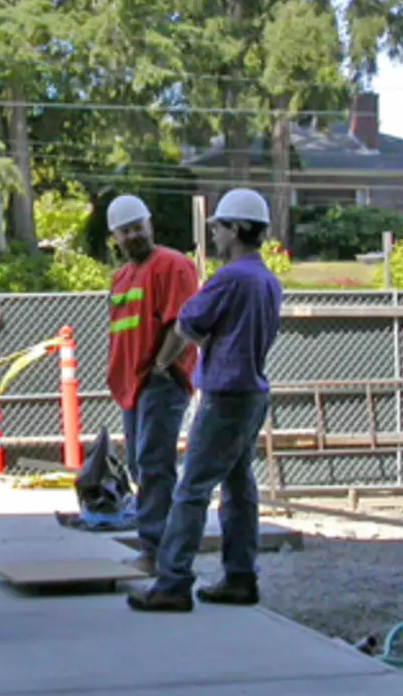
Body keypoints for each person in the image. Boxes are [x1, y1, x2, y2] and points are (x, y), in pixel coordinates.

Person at [127, 188, 282, 613]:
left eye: (219, 227)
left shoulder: (230, 278)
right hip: (252, 393)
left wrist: (162, 363)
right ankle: (240, 576)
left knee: (192, 488)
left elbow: (189, 322)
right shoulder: (267, 279)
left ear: (236, 229)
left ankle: (172, 582)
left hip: (225, 394)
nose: (215, 235)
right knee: (238, 487)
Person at [104, 193, 200, 574]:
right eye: (124, 231)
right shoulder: (121, 278)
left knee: (154, 463)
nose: (132, 236)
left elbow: (183, 322)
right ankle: (156, 544)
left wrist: (163, 364)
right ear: (115, 236)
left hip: (161, 381)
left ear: (150, 225)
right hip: (135, 384)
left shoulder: (174, 266)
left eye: (137, 228)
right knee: (139, 464)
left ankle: (157, 549)